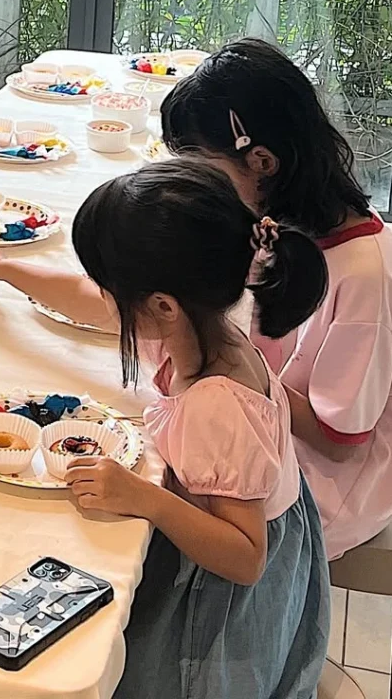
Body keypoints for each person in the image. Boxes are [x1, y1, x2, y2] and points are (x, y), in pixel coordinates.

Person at [67, 161, 329, 698]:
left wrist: (144, 497)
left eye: (107, 288)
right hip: (245, 529)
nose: (103, 299)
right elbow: (84, 302)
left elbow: (245, 557)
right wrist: (2, 267)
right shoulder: (208, 327)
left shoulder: (217, 402)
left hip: (219, 585)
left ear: (162, 305)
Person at [161, 37, 392, 559]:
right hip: (266, 423)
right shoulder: (282, 226)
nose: (197, 186)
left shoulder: (364, 273)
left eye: (204, 170)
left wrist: (233, 373)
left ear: (261, 161)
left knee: (152, 486)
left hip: (323, 485)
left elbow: (339, 439)